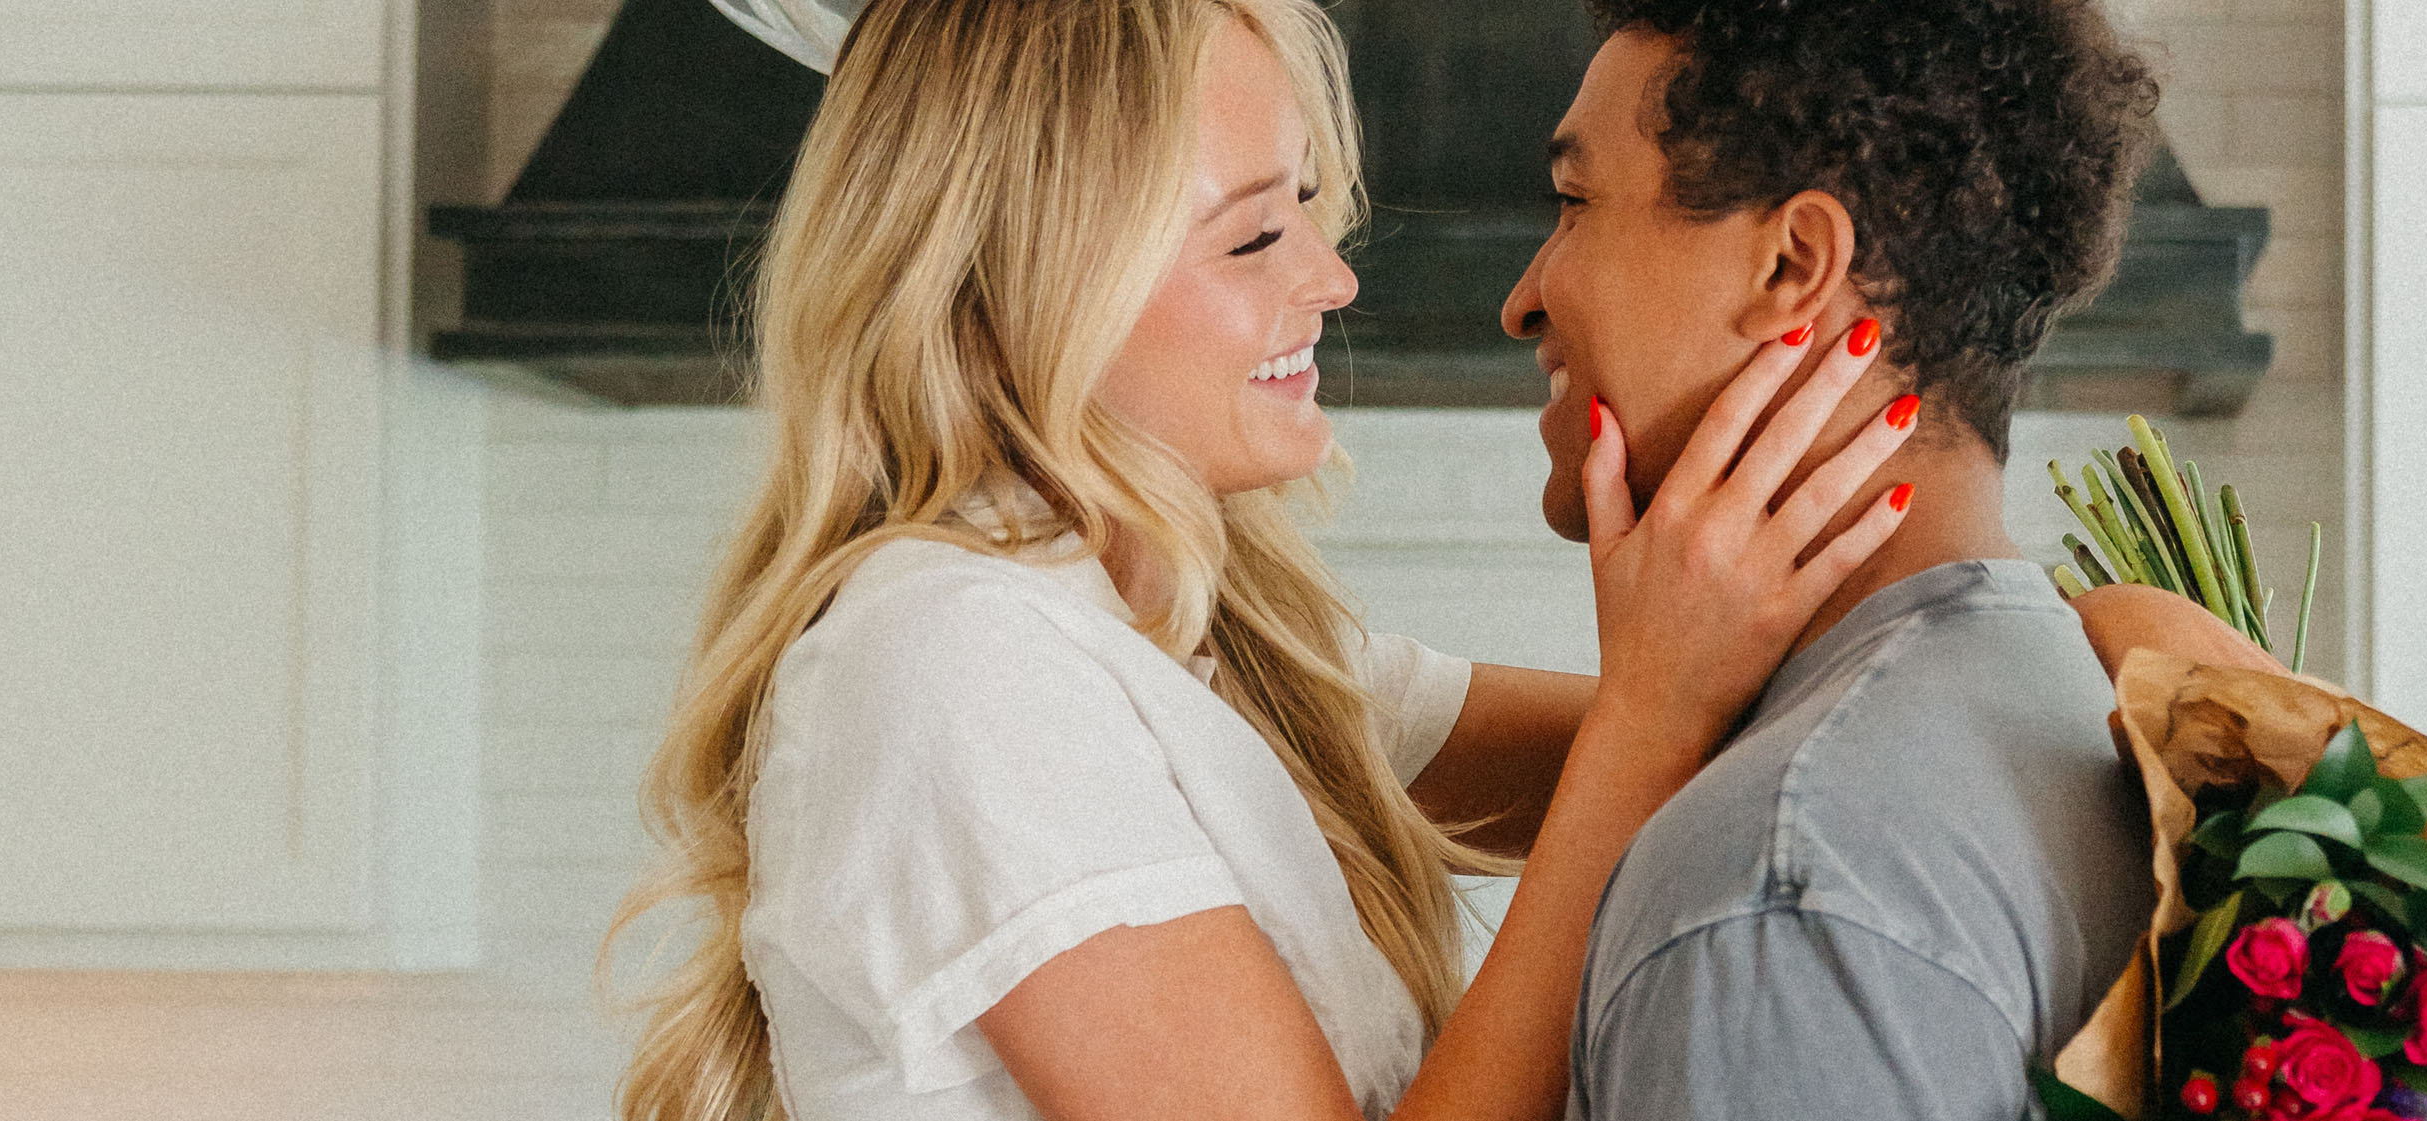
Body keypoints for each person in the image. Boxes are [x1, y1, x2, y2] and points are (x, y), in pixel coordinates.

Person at [618, 1, 1921, 1118]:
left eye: (1305, 206)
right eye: (1250, 236)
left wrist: (2089, 643)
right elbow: (1642, 746)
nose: (1330, 278)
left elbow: (1725, 747)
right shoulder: (953, 663)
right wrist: (1652, 707)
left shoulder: (1185, 644)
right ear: (1024, 278)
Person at [1496, 0, 2280, 1117]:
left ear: (1793, 264)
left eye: (1575, 203)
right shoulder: (2071, 702)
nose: (1522, 297)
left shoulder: (1777, 882)